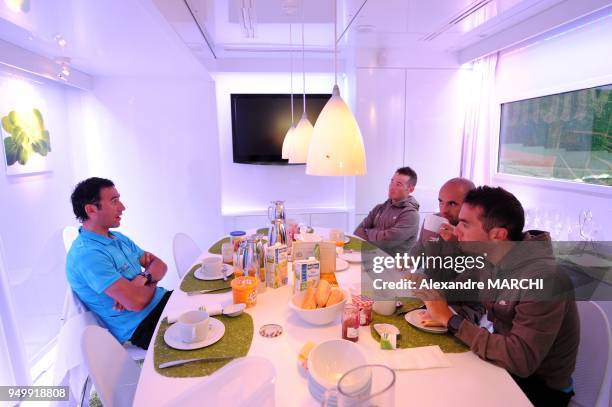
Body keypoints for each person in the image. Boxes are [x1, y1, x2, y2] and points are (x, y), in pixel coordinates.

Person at [421, 186, 579, 407]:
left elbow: (521, 360)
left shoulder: (544, 278)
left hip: (539, 388)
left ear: (498, 235)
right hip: (503, 364)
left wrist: (450, 320)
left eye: (465, 224)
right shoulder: (489, 258)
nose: (457, 231)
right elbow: (447, 288)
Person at [66, 177, 170, 349]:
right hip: (144, 325)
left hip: (162, 303)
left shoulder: (117, 237)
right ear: (91, 209)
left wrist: (142, 278)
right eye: (114, 201)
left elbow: (161, 265)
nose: (122, 207)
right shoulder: (87, 255)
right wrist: (149, 283)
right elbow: (136, 303)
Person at [354, 167, 420, 246]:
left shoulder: (411, 214)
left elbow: (387, 242)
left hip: (392, 258)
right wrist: (380, 236)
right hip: (372, 254)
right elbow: (357, 232)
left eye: (398, 184)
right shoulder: (379, 208)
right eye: (392, 182)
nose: (392, 187)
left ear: (410, 189)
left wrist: (368, 232)